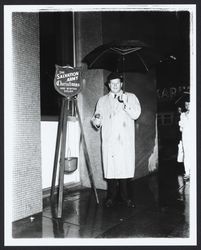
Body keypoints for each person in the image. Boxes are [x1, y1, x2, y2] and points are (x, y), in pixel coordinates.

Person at [91, 72, 141, 208]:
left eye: (117, 83)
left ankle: (126, 198)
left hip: (124, 141)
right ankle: (111, 197)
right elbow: (97, 121)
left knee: (124, 170)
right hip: (110, 141)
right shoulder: (102, 100)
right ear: (108, 85)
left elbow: (136, 114)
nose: (114, 85)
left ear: (121, 84)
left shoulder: (131, 97)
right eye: (112, 83)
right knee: (111, 170)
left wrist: (126, 102)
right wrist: (96, 120)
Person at [178, 93, 191, 180]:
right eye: (186, 104)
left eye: (189, 104)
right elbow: (181, 129)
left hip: (193, 136)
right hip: (185, 137)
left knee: (193, 153)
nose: (187, 106)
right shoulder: (182, 115)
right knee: (187, 155)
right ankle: (187, 172)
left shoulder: (195, 113)